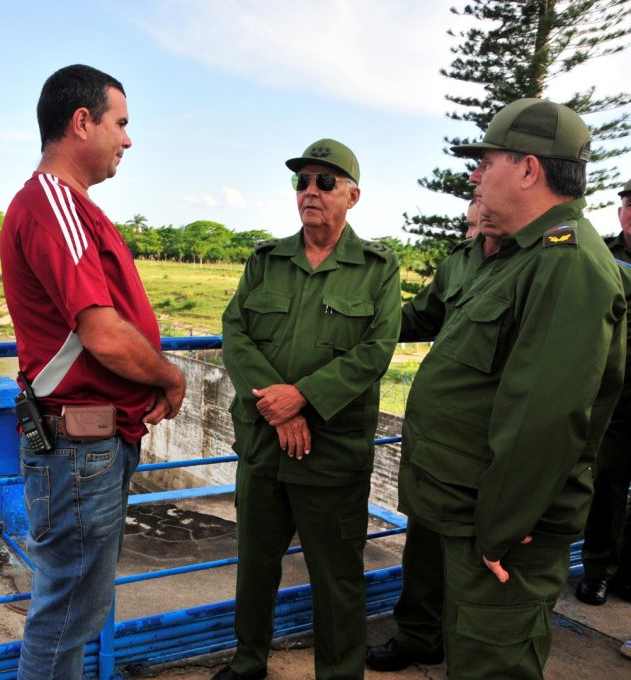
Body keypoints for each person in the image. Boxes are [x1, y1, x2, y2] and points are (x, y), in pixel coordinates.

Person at [397, 98, 626, 680]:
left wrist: (499, 530)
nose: (475, 175)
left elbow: (544, 418)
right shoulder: (520, 257)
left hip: (501, 536)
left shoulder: (566, 262)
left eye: (487, 161)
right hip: (476, 518)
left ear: (528, 168)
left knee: (492, 666)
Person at [0, 64, 186, 680]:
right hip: (80, 448)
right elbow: (102, 333)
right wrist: (170, 376)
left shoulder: (73, 208)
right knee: (67, 614)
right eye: (120, 123)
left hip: (95, 443)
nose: (126, 140)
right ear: (82, 123)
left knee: (78, 606)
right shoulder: (52, 203)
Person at [216, 139, 401, 680]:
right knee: (254, 568)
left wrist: (303, 398)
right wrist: (281, 408)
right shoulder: (265, 261)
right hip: (262, 445)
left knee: (337, 576)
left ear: (353, 195)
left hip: (332, 456)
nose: (310, 192)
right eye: (302, 181)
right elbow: (235, 334)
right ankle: (248, 662)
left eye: (325, 182)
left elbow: (375, 352)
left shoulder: (377, 269)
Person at [366, 203, 501, 672]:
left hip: (483, 448)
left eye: (482, 217)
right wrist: (361, 318)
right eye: (469, 221)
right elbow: (420, 316)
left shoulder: (534, 265)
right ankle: (418, 638)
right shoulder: (461, 262)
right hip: (433, 445)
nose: (475, 227)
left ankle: (467, 655)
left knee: (471, 565)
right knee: (422, 553)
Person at [575, 178, 631, 606]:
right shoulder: (605, 256)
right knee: (606, 483)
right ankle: (598, 571)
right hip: (616, 397)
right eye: (628, 204)